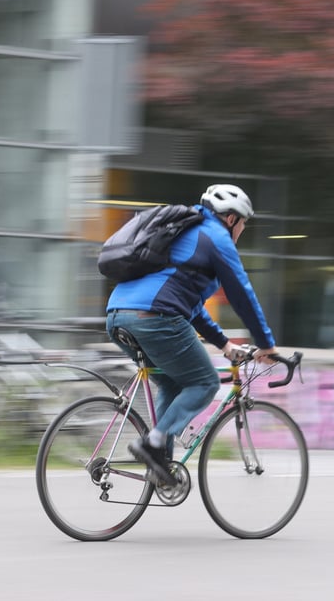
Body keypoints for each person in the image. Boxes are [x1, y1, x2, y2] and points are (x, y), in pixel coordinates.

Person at [105, 184, 279, 486]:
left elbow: (192, 308)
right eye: (243, 225)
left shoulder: (183, 233)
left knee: (173, 383)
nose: (241, 232)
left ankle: (160, 468)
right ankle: (154, 443)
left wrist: (224, 345)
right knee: (205, 382)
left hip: (117, 315)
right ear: (231, 219)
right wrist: (266, 344)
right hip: (154, 318)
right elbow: (242, 294)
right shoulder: (216, 237)